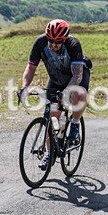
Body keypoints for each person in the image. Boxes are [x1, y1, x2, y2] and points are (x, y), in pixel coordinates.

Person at [18, 19, 90, 170]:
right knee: (53, 117)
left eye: (57, 42)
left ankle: (75, 124)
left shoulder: (73, 44)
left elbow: (77, 76)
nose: (52, 45)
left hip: (75, 77)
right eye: (50, 41)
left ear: (64, 40)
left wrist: (66, 93)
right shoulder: (40, 43)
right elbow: (31, 68)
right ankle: (50, 154)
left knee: (80, 94)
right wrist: (24, 87)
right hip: (56, 79)